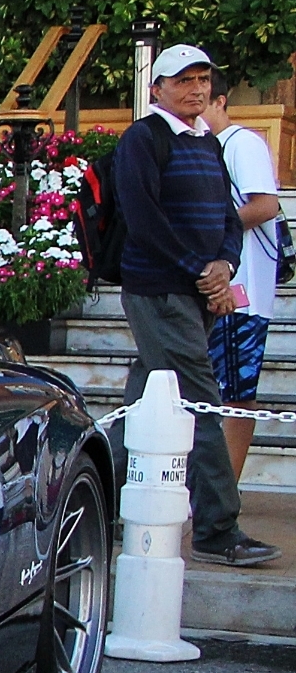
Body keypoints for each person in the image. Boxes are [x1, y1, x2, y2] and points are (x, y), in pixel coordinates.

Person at [112, 46, 275, 567]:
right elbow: (143, 217)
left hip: (196, 291)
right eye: (184, 81)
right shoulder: (144, 138)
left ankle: (91, 496)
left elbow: (230, 216)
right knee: (202, 401)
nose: (197, 90)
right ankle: (217, 526)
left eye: (203, 80)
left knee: (143, 399)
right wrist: (197, 269)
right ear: (157, 89)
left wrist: (224, 264)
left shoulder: (206, 141)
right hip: (160, 290)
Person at [206, 90, 283, 483]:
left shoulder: (242, 143)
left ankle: (225, 494)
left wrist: (208, 226)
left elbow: (266, 205)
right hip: (212, 291)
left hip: (242, 294)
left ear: (220, 101)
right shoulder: (205, 146)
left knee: (236, 394)